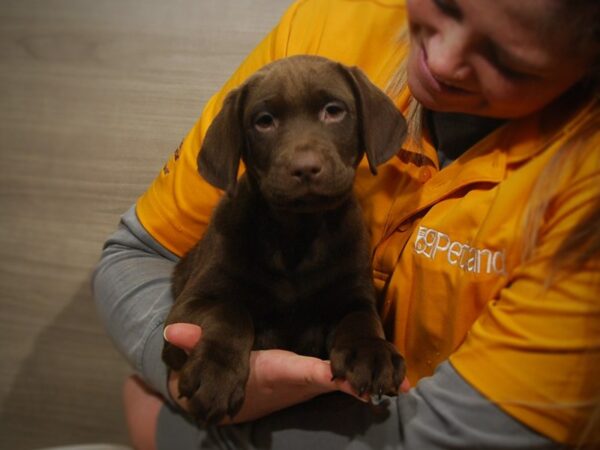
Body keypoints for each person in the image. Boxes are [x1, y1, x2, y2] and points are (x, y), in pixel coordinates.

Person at [92, 0, 600, 448]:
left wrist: (169, 428)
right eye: (446, 4)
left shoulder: (586, 186)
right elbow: (136, 257)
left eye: (506, 58)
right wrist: (183, 367)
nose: (441, 61)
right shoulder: (332, 21)